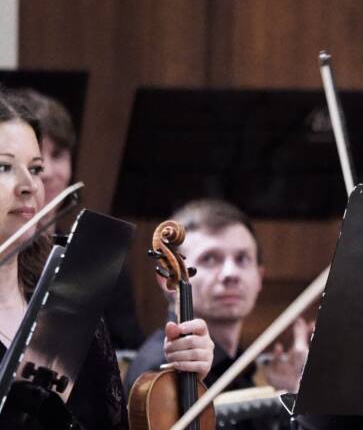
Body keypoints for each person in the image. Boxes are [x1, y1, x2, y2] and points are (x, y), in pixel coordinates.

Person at [0, 88, 214, 428]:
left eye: (35, 169)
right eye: (4, 167)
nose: (30, 186)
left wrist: (181, 381)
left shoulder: (72, 287)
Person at [124, 199, 309, 430]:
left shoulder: (239, 370)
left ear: (259, 276)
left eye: (242, 259)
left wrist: (291, 394)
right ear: (166, 279)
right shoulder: (161, 373)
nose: (231, 273)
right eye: (210, 259)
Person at [14, 86, 144, 349]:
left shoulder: (98, 260)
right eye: (35, 161)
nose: (47, 172)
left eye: (58, 155)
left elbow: (126, 356)